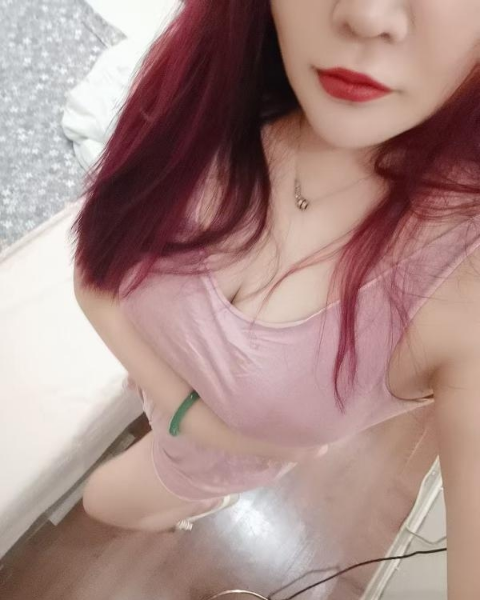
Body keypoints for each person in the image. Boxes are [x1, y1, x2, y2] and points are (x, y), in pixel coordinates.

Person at [72, 3, 480, 590]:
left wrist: (206, 435)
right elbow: (94, 272)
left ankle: (203, 503)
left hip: (203, 465)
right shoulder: (217, 85)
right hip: (189, 419)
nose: (366, 16)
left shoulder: (463, 270)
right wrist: (190, 411)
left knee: (101, 500)